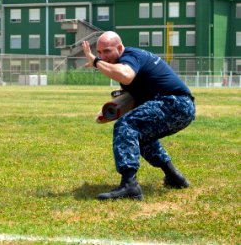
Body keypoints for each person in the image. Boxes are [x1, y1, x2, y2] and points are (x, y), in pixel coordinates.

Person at [82, 31, 195, 201]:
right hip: (180, 107)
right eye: (99, 52)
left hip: (174, 103)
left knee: (126, 126)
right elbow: (134, 98)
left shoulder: (130, 56)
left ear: (119, 48)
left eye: (107, 51)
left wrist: (96, 62)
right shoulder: (128, 58)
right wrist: (111, 111)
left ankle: (129, 185)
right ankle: (173, 176)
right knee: (140, 135)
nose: (103, 56)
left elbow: (125, 76)